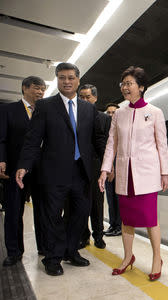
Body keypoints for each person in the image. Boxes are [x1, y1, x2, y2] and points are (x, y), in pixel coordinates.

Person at [16, 63, 105, 276]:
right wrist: (23, 165)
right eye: (62, 77)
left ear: (78, 80)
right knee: (53, 216)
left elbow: (97, 140)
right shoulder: (45, 106)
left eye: (71, 77)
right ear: (57, 79)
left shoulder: (88, 109)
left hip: (81, 173)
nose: (67, 81)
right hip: (53, 173)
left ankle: (71, 251)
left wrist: (109, 164)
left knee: (80, 214)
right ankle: (53, 258)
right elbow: (33, 139)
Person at [98, 66, 168, 281]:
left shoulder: (155, 112)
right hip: (124, 174)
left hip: (147, 174)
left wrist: (165, 173)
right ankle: (128, 257)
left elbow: (162, 145)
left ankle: (157, 258)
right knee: (126, 220)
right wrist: (105, 169)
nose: (125, 87)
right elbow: (112, 143)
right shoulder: (118, 113)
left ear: (141, 87)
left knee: (150, 219)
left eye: (129, 83)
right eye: (123, 84)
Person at [0, 76, 46, 266]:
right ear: (24, 88)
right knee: (13, 211)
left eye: (43, 89)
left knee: (43, 211)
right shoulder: (8, 110)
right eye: (36, 88)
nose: (41, 92)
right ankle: (14, 251)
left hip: (41, 169)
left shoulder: (45, 111)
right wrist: (1, 159)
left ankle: (44, 246)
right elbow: (1, 138)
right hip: (14, 168)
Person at [78, 84, 110, 249]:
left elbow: (107, 145)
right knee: (81, 203)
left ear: (95, 98)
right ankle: (84, 236)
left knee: (97, 204)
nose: (84, 100)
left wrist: (107, 167)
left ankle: (99, 236)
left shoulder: (104, 118)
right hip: (78, 168)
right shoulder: (74, 117)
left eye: (87, 97)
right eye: (81, 97)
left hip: (97, 167)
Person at [103, 103, 122, 237]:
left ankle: (120, 226)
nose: (110, 115)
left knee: (118, 199)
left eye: (113, 112)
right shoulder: (106, 130)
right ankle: (112, 225)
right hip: (109, 168)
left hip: (119, 168)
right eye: (108, 113)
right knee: (110, 199)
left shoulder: (122, 129)